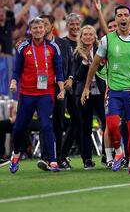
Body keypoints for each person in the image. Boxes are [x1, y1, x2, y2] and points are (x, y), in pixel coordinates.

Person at [81, 5, 130, 174]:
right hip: (114, 92)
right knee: (111, 126)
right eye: (119, 15)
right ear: (116, 19)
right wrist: (87, 87)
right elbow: (95, 65)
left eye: (126, 15)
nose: (123, 18)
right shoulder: (106, 40)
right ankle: (119, 152)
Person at [9, 17, 65, 173]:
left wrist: (61, 89)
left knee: (46, 125)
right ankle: (15, 154)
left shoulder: (54, 47)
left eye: (41, 27)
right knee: (19, 128)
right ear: (30, 30)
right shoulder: (23, 48)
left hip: (46, 93)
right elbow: (16, 70)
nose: (38, 30)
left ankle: (53, 161)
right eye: (35, 28)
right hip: (26, 93)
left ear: (45, 29)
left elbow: (59, 70)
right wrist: (14, 82)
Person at [38, 14, 73, 170]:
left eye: (45, 24)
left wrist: (70, 78)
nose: (42, 28)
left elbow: (71, 63)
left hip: (59, 89)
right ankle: (46, 157)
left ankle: (57, 157)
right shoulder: (35, 45)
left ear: (52, 26)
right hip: (42, 89)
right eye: (39, 25)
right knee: (45, 122)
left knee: (58, 123)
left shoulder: (63, 44)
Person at [73, 25, 106, 170]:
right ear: (80, 37)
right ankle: (87, 159)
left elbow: (103, 70)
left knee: (107, 124)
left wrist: (93, 62)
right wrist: (85, 62)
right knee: (84, 127)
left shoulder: (102, 51)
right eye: (85, 34)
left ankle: (107, 156)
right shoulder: (76, 54)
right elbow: (77, 77)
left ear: (94, 37)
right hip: (83, 94)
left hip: (100, 92)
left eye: (90, 34)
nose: (87, 37)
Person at [61, 13, 82, 166]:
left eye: (77, 24)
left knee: (78, 124)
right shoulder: (62, 43)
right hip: (67, 88)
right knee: (70, 123)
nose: (75, 27)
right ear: (67, 26)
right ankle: (60, 155)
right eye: (72, 24)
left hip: (81, 89)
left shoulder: (85, 41)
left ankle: (62, 155)